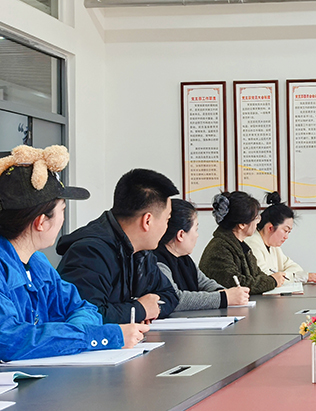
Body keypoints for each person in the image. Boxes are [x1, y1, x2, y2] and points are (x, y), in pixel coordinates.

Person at [0, 145, 147, 361]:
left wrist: (76, 335)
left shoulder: (37, 263)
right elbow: (10, 341)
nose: (63, 219)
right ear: (41, 222)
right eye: (62, 211)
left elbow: (82, 308)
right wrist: (98, 336)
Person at [57, 169, 179, 324]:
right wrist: (139, 310)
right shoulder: (90, 252)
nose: (166, 227)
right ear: (147, 221)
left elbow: (170, 295)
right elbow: (85, 316)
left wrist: (149, 310)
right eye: (167, 219)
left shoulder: (141, 252)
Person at [155, 199, 250, 311]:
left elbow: (204, 283)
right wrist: (224, 298)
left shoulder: (185, 259)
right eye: (196, 229)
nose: (197, 235)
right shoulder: (158, 261)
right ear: (181, 235)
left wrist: (224, 292)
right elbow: (175, 298)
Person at [199, 191, 278, 294]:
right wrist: (273, 281)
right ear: (242, 224)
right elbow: (238, 284)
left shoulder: (241, 245)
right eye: (255, 218)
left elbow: (257, 274)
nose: (258, 222)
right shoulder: (219, 249)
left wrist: (271, 280)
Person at [244, 192, 316, 284]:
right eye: (285, 230)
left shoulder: (273, 246)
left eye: (289, 232)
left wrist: (287, 275)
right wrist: (296, 276)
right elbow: (266, 278)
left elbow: (295, 268)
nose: (286, 237)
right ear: (270, 228)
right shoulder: (252, 243)